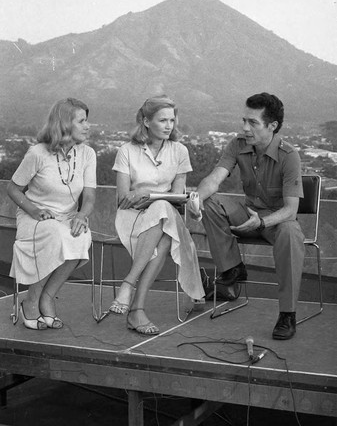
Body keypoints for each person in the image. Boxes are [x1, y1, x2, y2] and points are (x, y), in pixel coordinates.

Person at [187, 92, 304, 340]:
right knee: (209, 202)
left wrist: (262, 222)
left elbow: (290, 210)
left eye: (253, 123)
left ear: (272, 126)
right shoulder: (237, 144)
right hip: (248, 213)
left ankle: (287, 314)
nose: (245, 128)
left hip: (276, 220)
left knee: (291, 232)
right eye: (244, 121)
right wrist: (195, 198)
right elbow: (215, 179)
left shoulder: (289, 155)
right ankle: (233, 269)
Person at [110, 95, 204, 335]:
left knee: (162, 211)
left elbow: (177, 197)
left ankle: (129, 286)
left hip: (165, 214)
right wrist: (153, 197)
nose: (169, 125)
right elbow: (123, 198)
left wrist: (147, 194)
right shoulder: (126, 151)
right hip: (131, 217)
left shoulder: (180, 151)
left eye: (172, 120)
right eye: (162, 120)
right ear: (146, 121)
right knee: (163, 234)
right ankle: (136, 310)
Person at [7, 98, 96, 330]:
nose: (88, 126)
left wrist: (81, 216)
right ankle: (31, 301)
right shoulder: (37, 153)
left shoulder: (87, 154)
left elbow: (89, 198)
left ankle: (48, 296)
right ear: (65, 124)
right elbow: (13, 188)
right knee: (56, 235)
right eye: (82, 121)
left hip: (68, 217)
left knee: (82, 236)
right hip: (34, 216)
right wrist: (34, 210)